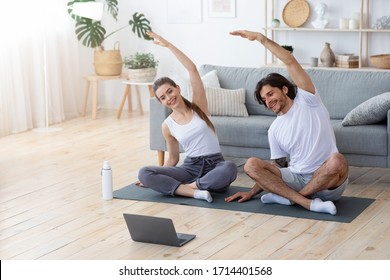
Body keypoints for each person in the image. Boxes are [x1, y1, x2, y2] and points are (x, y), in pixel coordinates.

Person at [225, 30, 349, 215]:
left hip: (326, 181)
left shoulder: (308, 100)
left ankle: (291, 199)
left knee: (338, 161)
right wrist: (252, 192)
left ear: (284, 89)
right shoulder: (274, 129)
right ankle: (305, 202)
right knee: (251, 164)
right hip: (296, 177)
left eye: (270, 94)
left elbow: (289, 61)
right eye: (264, 100)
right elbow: (277, 168)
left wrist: (261, 38)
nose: (268, 101)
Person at [138, 31, 237, 203]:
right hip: (189, 169)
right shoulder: (167, 125)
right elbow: (174, 159)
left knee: (230, 168)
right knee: (144, 172)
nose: (169, 97)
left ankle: (190, 187)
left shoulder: (198, 106)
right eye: (163, 97)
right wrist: (154, 177)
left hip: (215, 166)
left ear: (178, 88)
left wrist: (168, 45)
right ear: (161, 102)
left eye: (170, 91)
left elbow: (191, 68)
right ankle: (196, 192)